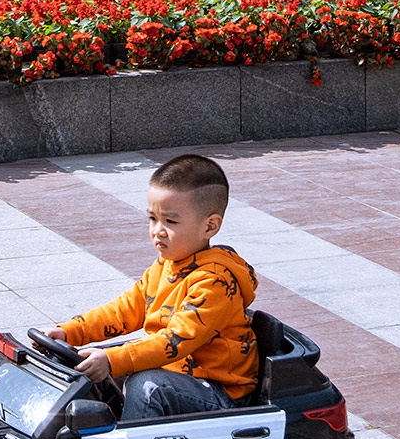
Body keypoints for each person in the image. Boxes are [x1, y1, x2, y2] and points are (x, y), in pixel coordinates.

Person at [46, 154, 259, 422]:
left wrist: (113, 360)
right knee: (85, 367)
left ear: (210, 226)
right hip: (174, 374)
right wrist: (69, 332)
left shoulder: (215, 281)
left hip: (218, 392)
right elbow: (124, 310)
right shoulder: (167, 264)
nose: (158, 230)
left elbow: (175, 341)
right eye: (152, 218)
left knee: (147, 387)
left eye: (170, 222)